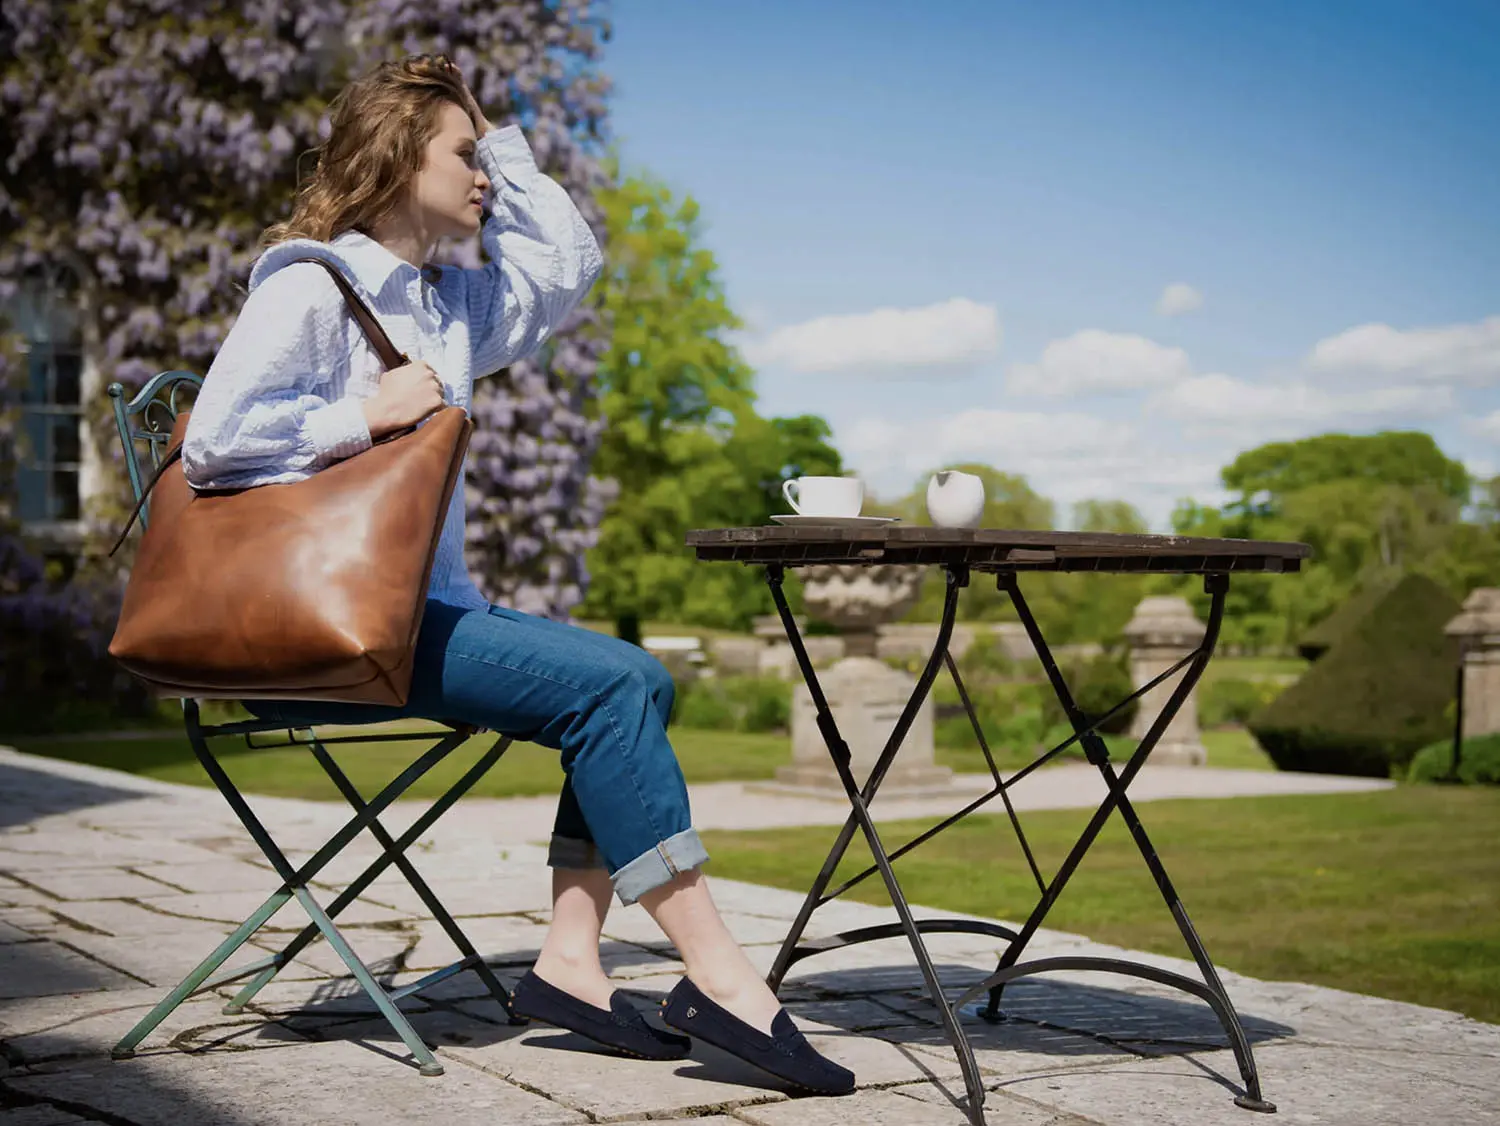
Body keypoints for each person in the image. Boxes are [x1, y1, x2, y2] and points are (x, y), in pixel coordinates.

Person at [179, 55, 854, 1094]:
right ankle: (723, 979)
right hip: (313, 634)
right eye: (462, 154)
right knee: (613, 684)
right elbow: (213, 445)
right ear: (401, 158)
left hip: (413, 623)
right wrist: (369, 411)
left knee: (642, 679)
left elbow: (569, 265)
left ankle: (570, 962)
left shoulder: (448, 305)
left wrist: (500, 140)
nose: (483, 175)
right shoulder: (312, 286)